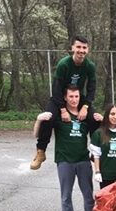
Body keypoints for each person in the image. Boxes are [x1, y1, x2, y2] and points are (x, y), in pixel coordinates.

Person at [33, 85, 102, 211]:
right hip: (65, 160)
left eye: (76, 96)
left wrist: (102, 120)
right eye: (70, 97)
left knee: (88, 195)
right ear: (65, 98)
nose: (74, 100)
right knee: (66, 195)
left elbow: (100, 135)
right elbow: (37, 133)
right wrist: (38, 120)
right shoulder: (59, 116)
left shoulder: (85, 116)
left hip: (83, 160)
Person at [30, 35, 96, 170]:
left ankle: (95, 152)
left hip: (77, 96)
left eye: (84, 48)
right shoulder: (64, 64)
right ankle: (40, 152)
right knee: (48, 118)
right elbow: (56, 87)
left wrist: (85, 106)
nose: (81, 50)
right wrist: (62, 109)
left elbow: (91, 88)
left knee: (95, 119)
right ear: (72, 48)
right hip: (60, 97)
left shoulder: (89, 66)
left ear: (88, 49)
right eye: (78, 47)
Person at [90, 105, 116, 189]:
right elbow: (96, 155)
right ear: (107, 115)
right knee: (108, 201)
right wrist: (97, 172)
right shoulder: (98, 133)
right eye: (112, 114)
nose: (115, 117)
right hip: (106, 175)